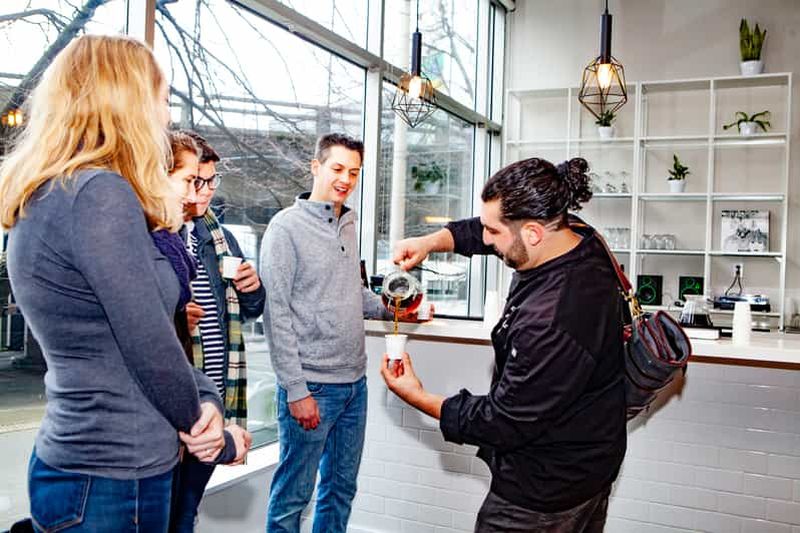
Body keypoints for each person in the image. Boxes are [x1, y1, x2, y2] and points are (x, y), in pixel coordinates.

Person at [0, 35, 240, 532]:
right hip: (111, 476)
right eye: (162, 98)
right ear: (127, 100)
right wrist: (206, 428)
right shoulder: (99, 195)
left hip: (88, 466)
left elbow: (143, 331)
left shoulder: (57, 191)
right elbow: (148, 341)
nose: (166, 116)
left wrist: (205, 399)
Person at [383, 157, 627, 533]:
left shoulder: (554, 318)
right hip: (592, 461)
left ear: (532, 233)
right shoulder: (573, 233)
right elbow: (480, 231)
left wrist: (417, 396)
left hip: (545, 490)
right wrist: (429, 242)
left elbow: (502, 422)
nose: (485, 239)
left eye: (493, 231)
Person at [260, 133, 392, 533]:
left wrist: (391, 307)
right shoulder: (285, 228)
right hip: (312, 387)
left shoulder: (347, 223)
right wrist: (296, 390)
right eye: (337, 169)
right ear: (316, 167)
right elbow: (276, 313)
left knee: (340, 490)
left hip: (354, 385)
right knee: (293, 498)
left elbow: (351, 290)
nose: (346, 179)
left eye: (354, 172)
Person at [168, 130, 261, 532]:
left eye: (211, 181)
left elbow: (251, 310)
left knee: (186, 510)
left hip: (216, 397)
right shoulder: (162, 236)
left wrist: (253, 288)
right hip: (178, 402)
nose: (204, 191)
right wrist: (176, 318)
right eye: (196, 180)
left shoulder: (219, 237)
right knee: (166, 514)